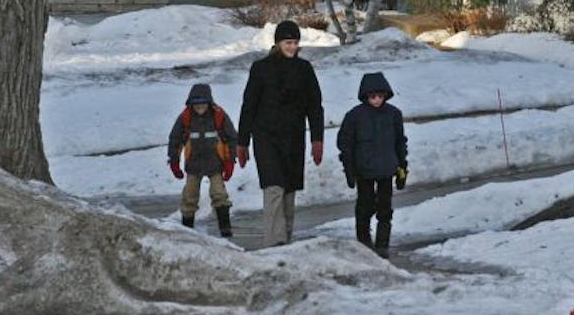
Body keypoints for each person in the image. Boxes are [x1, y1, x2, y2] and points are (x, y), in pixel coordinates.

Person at [236, 19, 324, 246]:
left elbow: (315, 106)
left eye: (295, 42)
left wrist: (317, 139)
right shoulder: (261, 69)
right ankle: (275, 243)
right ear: (277, 43)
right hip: (266, 137)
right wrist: (242, 142)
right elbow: (249, 106)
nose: (292, 47)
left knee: (289, 192)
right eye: (288, 42)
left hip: (294, 138)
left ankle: (285, 240)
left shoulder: (304, 70)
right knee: (273, 188)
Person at [336, 71, 408, 257]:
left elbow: (400, 143)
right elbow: (345, 143)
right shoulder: (355, 116)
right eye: (372, 96)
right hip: (364, 170)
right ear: (365, 96)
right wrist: (349, 170)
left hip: (387, 169)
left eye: (380, 96)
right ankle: (364, 243)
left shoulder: (394, 114)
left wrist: (402, 169)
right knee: (364, 206)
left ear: (386, 95)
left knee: (385, 208)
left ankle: (383, 244)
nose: (376, 100)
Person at [167, 83, 238, 238]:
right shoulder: (185, 117)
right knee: (189, 197)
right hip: (194, 165)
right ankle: (187, 232)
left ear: (209, 103)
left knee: (219, 194)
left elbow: (232, 138)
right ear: (191, 104)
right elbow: (175, 139)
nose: (200, 107)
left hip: (215, 164)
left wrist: (230, 161)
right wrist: (174, 161)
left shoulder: (219, 116)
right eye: (196, 105)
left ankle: (226, 231)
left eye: (203, 104)